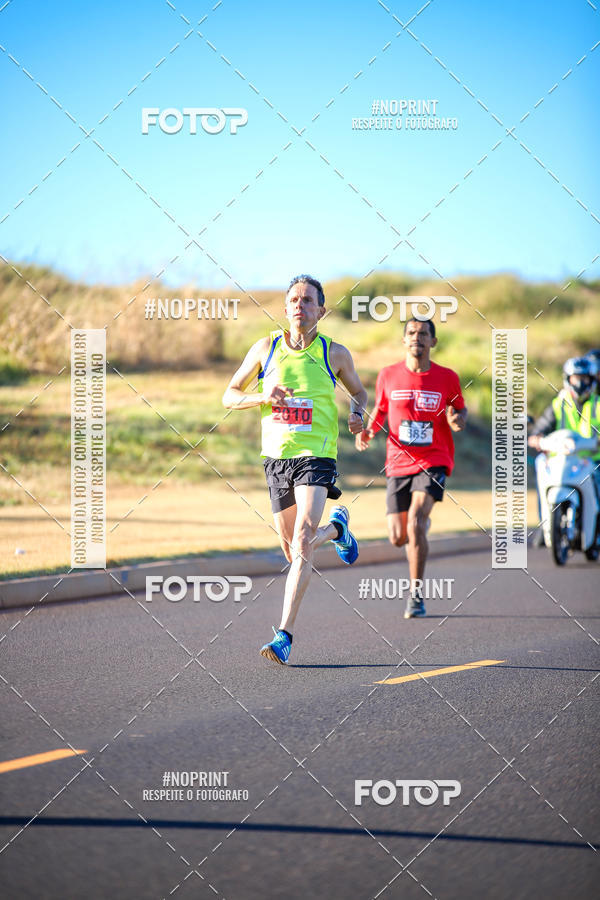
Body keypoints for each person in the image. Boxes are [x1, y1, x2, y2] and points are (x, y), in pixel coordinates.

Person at [222, 274, 368, 664]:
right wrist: (261, 396)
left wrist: (357, 414)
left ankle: (283, 635)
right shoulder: (265, 348)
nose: (300, 306)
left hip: (316, 455)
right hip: (276, 458)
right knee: (292, 551)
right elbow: (228, 395)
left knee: (303, 539)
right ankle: (337, 529)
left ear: (321, 309)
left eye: (308, 300)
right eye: (293, 300)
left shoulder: (334, 353)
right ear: (285, 308)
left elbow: (359, 392)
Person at [355, 317, 467, 618]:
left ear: (433, 341)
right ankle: (418, 530)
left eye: (424, 334)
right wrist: (369, 432)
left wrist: (458, 419)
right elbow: (380, 408)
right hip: (398, 461)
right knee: (398, 537)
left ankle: (415, 596)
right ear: (404, 340)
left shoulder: (447, 377)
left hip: (434, 459)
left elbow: (460, 407)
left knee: (416, 521)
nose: (417, 337)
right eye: (411, 333)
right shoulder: (388, 374)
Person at [528, 357, 600, 537]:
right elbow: (542, 427)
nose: (580, 383)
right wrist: (537, 438)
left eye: (584, 379)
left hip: (593, 461)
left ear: (592, 380)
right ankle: (545, 522)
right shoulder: (559, 403)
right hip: (563, 461)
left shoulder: (598, 405)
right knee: (540, 463)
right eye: (576, 378)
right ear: (568, 379)